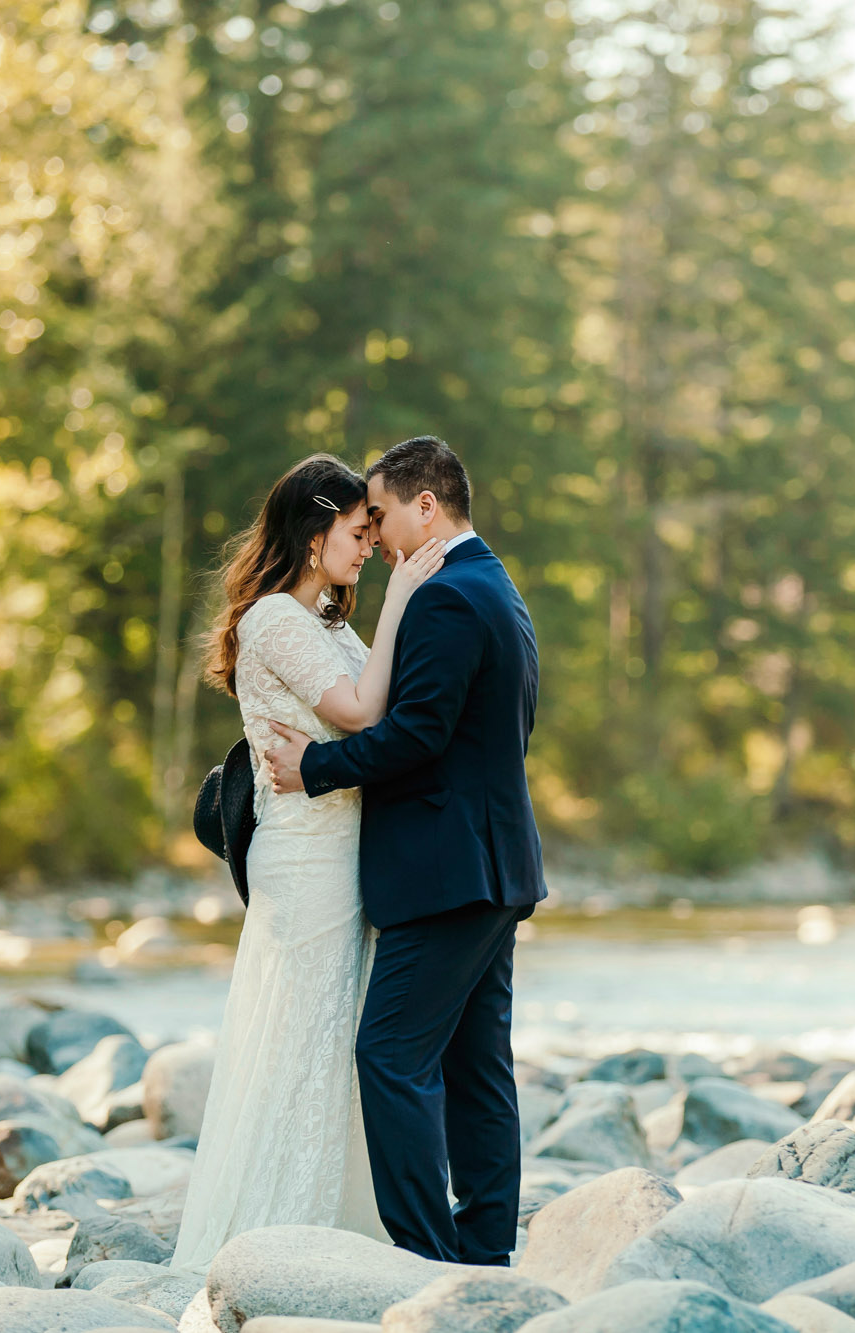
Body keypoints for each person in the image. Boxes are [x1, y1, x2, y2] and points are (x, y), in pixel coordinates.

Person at [265, 435, 547, 1266]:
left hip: (448, 872)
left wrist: (314, 765)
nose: (378, 535)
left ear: (429, 505)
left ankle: (425, 1253)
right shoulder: (490, 581)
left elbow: (418, 735)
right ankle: (486, 1247)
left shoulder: (447, 595)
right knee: (475, 1065)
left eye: (382, 515)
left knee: (388, 1054)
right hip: (489, 866)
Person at [170, 453, 444, 1271]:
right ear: (313, 527)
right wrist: (402, 599)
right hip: (306, 861)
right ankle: (276, 1241)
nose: (368, 548)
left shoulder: (322, 620)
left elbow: (381, 711)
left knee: (342, 1042)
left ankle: (342, 1233)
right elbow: (361, 712)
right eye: (359, 533)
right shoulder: (275, 621)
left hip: (344, 857)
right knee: (306, 1037)